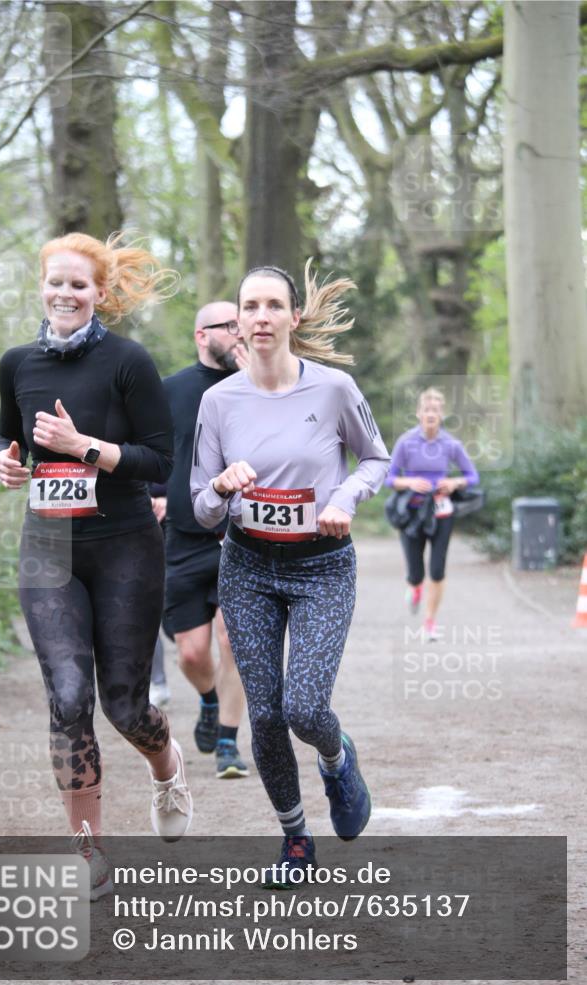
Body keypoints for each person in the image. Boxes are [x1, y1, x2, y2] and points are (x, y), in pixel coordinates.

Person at [0, 232, 193, 897]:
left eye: (79, 285)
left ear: (100, 294)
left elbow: (160, 463)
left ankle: (166, 767)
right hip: (48, 546)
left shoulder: (129, 362)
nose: (65, 294)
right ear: (42, 287)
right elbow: (9, 433)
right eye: (56, 282)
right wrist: (6, 460)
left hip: (126, 545)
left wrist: (85, 447)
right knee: (67, 698)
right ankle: (88, 853)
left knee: (125, 707)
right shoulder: (17, 362)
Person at [191, 262, 390, 885]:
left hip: (322, 568)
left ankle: (337, 758)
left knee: (305, 707)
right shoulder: (218, 401)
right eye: (250, 307)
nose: (261, 317)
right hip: (247, 567)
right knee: (267, 715)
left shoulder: (333, 389)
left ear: (293, 316)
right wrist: (222, 488)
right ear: (238, 322)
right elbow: (201, 506)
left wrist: (343, 499)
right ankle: (296, 838)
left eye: (274, 305)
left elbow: (376, 459)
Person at [161, 302, 249, 778]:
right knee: (192, 651)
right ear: (201, 335)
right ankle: (210, 700)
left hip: (241, 537)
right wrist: (155, 496)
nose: (240, 333)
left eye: (243, 324)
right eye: (229, 326)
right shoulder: (169, 390)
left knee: (233, 641)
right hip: (183, 536)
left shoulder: (255, 388)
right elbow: (152, 455)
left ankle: (229, 745)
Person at [385, 387, 479, 640]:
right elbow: (389, 479)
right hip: (412, 514)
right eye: (426, 409)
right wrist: (410, 483)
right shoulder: (406, 442)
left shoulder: (451, 444)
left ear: (442, 415)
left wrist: (454, 483)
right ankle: (415, 588)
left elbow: (472, 476)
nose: (431, 414)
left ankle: (429, 622)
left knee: (437, 571)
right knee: (416, 574)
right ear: (418, 413)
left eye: (436, 410)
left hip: (440, 513)